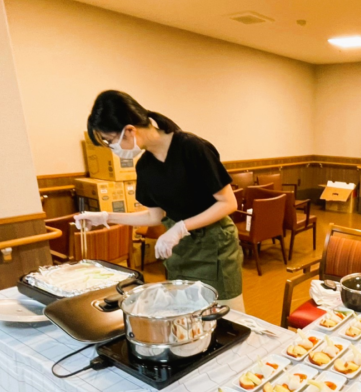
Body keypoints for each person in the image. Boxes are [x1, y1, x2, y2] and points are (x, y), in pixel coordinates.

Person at [76, 90, 245, 311]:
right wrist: (106, 217)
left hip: (214, 244)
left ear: (129, 131)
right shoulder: (145, 166)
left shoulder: (192, 148)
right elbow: (154, 216)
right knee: (188, 311)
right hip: (180, 249)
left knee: (225, 312)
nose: (112, 149)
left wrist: (180, 227)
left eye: (110, 141)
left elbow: (227, 203)